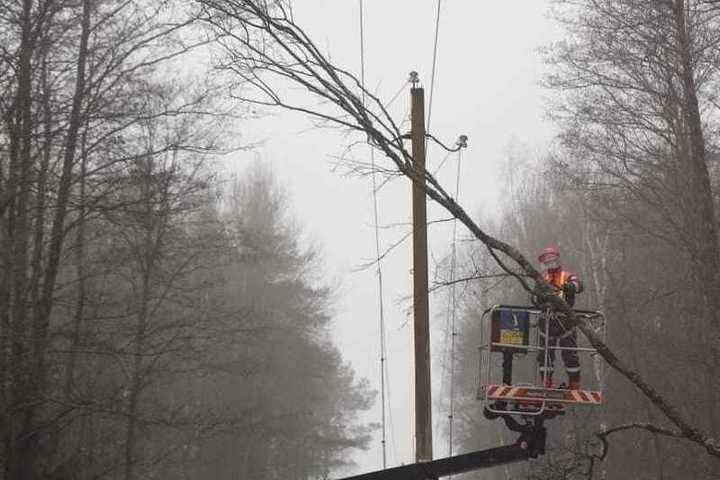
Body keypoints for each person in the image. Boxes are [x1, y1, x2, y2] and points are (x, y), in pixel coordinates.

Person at [536, 245, 583, 390]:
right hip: (547, 319)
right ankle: (546, 382)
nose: (550, 263)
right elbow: (534, 297)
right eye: (547, 261)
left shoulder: (567, 276)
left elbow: (579, 285)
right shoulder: (542, 279)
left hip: (565, 319)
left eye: (552, 260)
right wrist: (540, 300)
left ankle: (574, 383)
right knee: (544, 354)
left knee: (570, 353)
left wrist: (570, 287)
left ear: (557, 260)